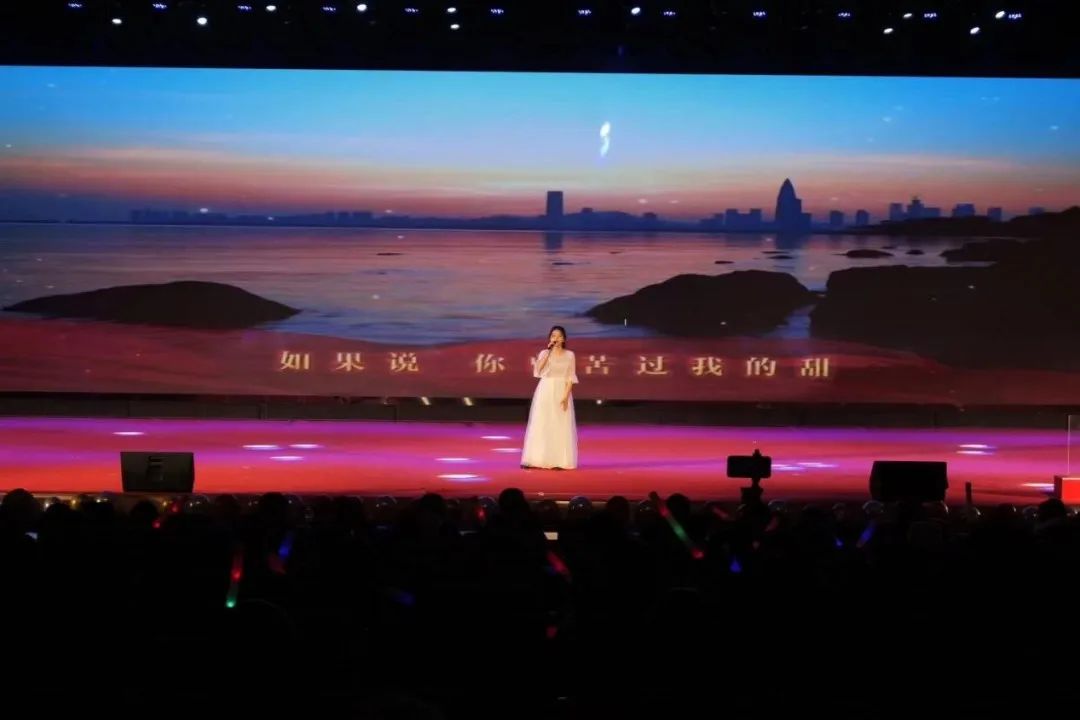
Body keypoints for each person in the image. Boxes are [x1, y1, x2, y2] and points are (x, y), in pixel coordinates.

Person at [520, 325, 578, 470]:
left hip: (561, 390)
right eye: (553, 336)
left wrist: (565, 397)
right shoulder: (544, 353)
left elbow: (570, 377)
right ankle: (537, 459)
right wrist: (548, 352)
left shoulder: (570, 355)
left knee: (559, 424)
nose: (556, 338)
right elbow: (538, 370)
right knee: (542, 423)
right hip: (545, 389)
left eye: (559, 336)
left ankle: (559, 461)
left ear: (564, 339)